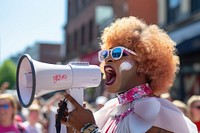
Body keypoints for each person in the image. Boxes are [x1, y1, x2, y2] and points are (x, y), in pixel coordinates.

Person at [58, 16, 197, 132]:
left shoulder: (157, 114)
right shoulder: (110, 111)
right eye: (106, 54)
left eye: (118, 53)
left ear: (143, 65)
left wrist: (87, 128)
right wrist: (74, 128)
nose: (108, 59)